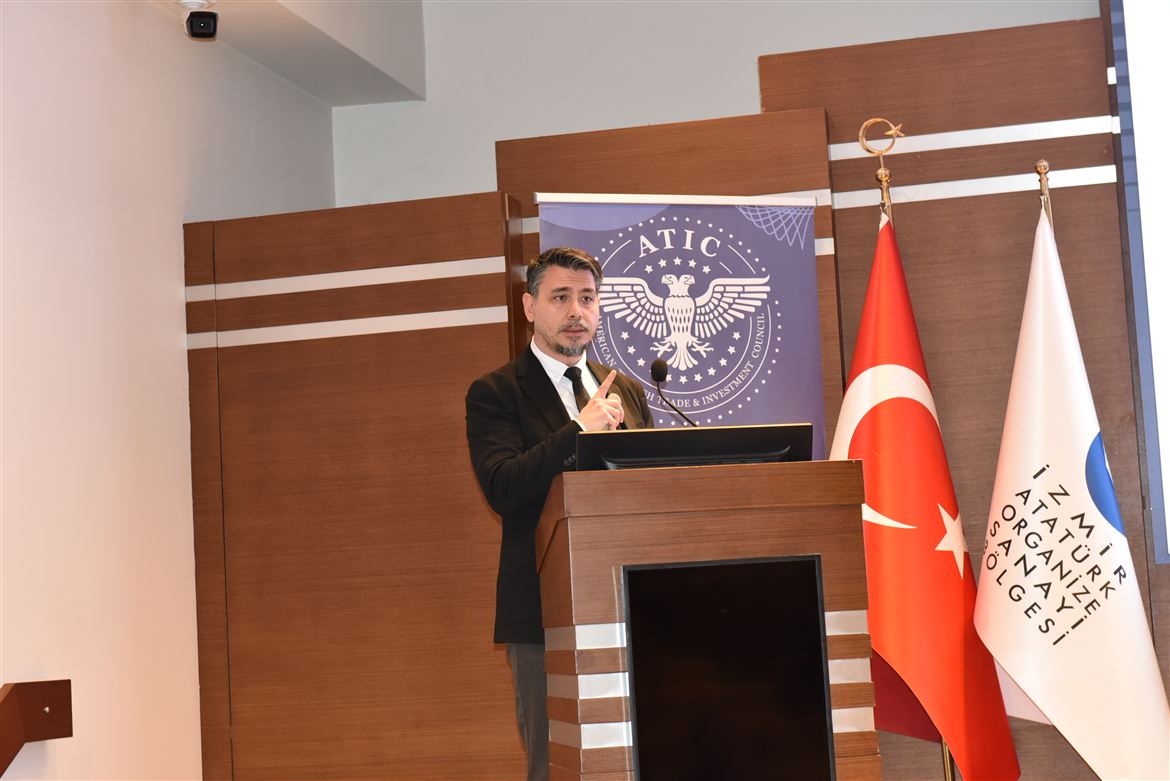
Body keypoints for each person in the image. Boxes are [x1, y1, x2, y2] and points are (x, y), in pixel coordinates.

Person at [465, 247, 653, 780]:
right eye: (561, 297)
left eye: (587, 298)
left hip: (633, 603)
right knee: (556, 765)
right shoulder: (497, 392)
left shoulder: (626, 389)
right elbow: (503, 487)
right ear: (530, 307)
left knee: (640, 755)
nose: (576, 311)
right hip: (543, 612)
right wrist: (578, 431)